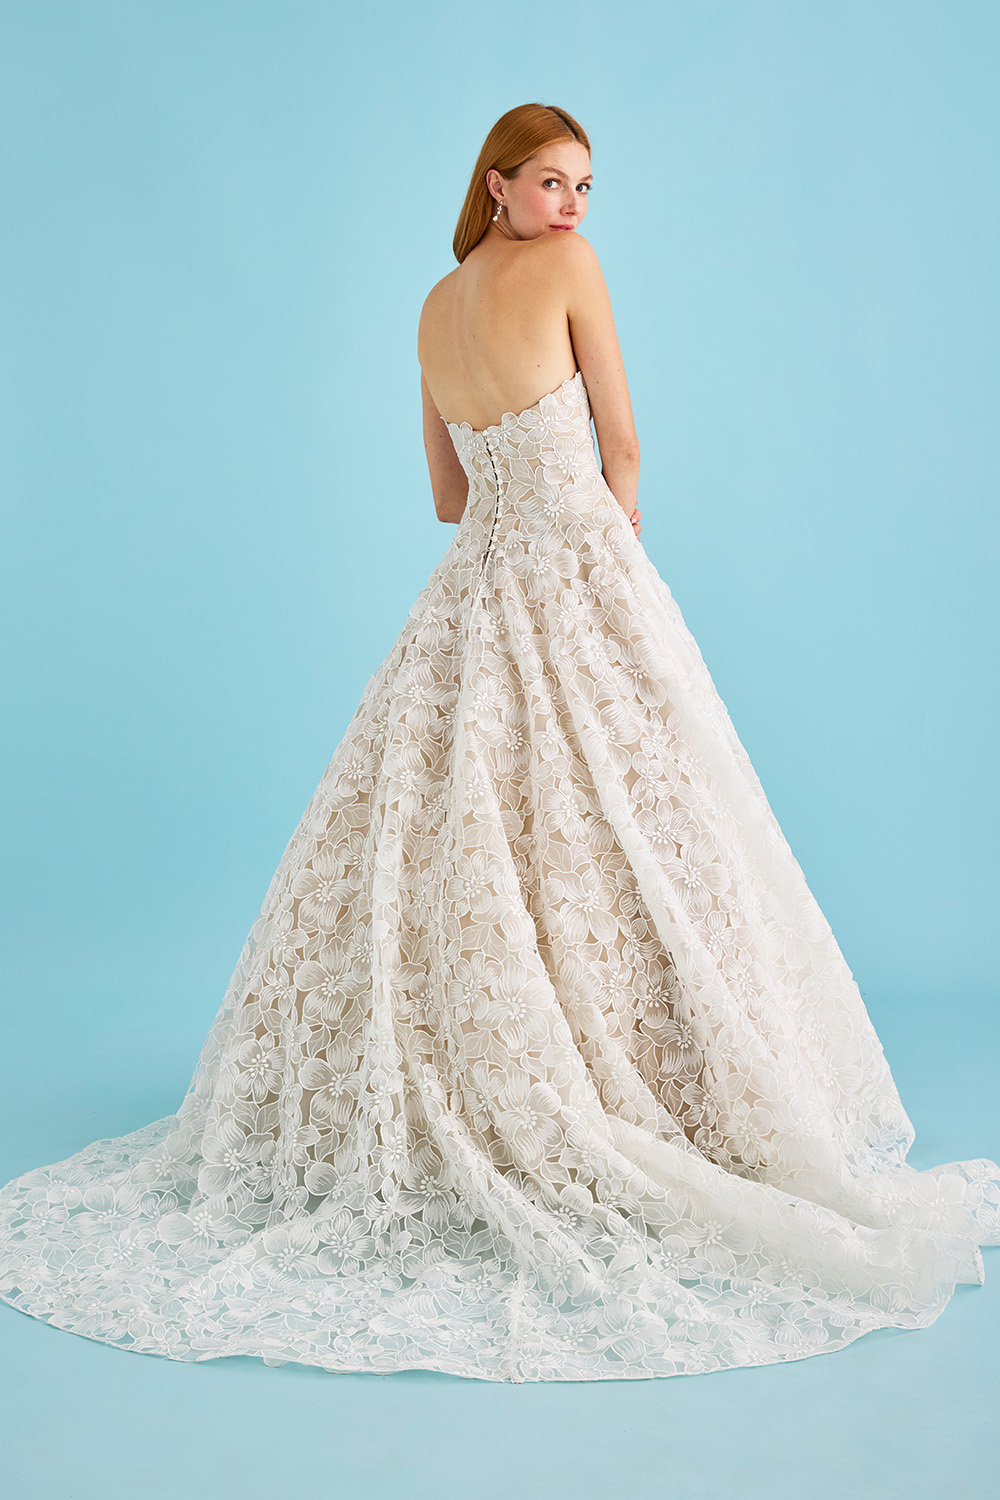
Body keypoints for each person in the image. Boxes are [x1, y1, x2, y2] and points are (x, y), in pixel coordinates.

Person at [0, 103, 996, 1385]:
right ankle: (655, 1082)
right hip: (577, 563)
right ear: (498, 185)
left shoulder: (433, 306)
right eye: (552, 182)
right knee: (636, 825)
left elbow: (446, 497)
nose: (573, 207)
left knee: (474, 829)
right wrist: (614, 555)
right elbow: (622, 442)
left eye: (585, 188)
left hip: (473, 590)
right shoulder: (568, 268)